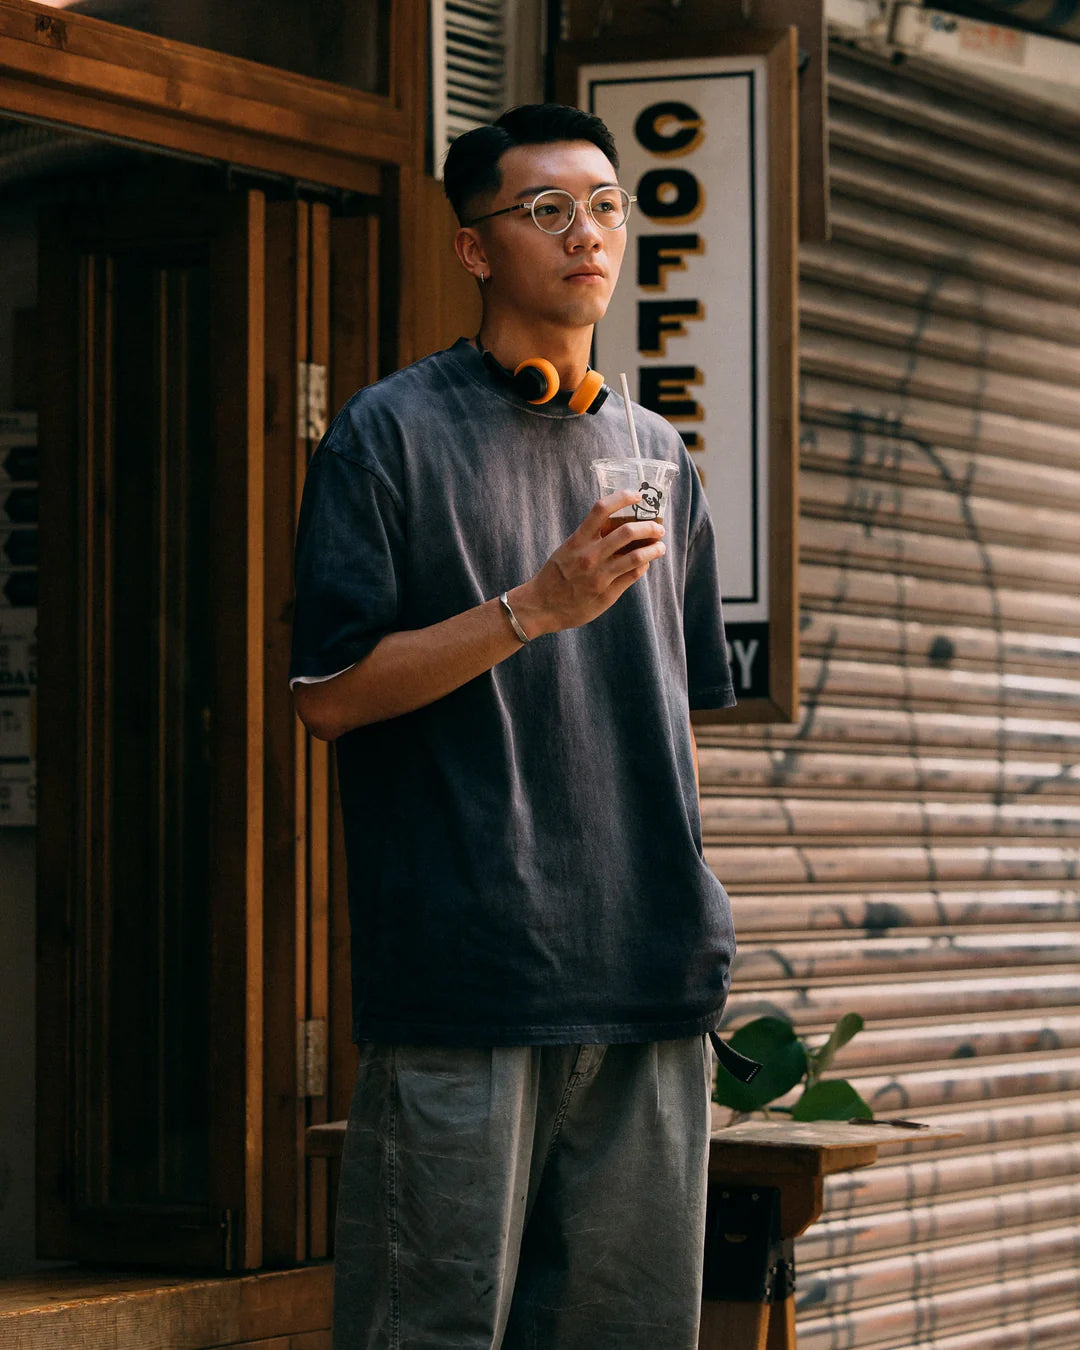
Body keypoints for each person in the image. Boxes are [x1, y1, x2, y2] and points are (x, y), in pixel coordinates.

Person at [290, 102, 737, 1350]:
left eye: (605, 205)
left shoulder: (657, 450)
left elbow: (672, 713)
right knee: (427, 1331)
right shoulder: (390, 434)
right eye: (546, 210)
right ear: (476, 249)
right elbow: (328, 698)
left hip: (650, 981)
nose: (587, 233)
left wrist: (700, 906)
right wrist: (531, 608)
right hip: (468, 981)